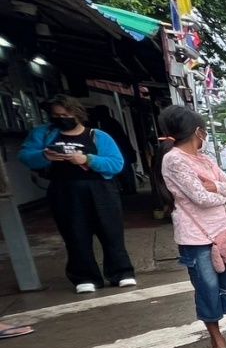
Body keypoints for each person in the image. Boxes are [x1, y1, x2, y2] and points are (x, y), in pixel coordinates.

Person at [157, 106, 226, 348]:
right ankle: (217, 340)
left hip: (225, 234)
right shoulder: (174, 160)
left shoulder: (206, 160)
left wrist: (217, 187)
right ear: (198, 131)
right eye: (205, 131)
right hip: (196, 239)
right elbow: (202, 198)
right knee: (207, 289)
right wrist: (223, 193)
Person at [18, 96, 137, 293]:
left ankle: (121, 272)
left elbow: (116, 163)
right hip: (64, 190)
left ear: (77, 113)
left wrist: (88, 159)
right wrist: (44, 155)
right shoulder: (44, 134)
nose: (61, 118)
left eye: (66, 115)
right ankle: (85, 276)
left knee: (111, 232)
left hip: (100, 189)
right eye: (56, 115)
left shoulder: (97, 136)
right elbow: (25, 156)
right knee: (75, 234)